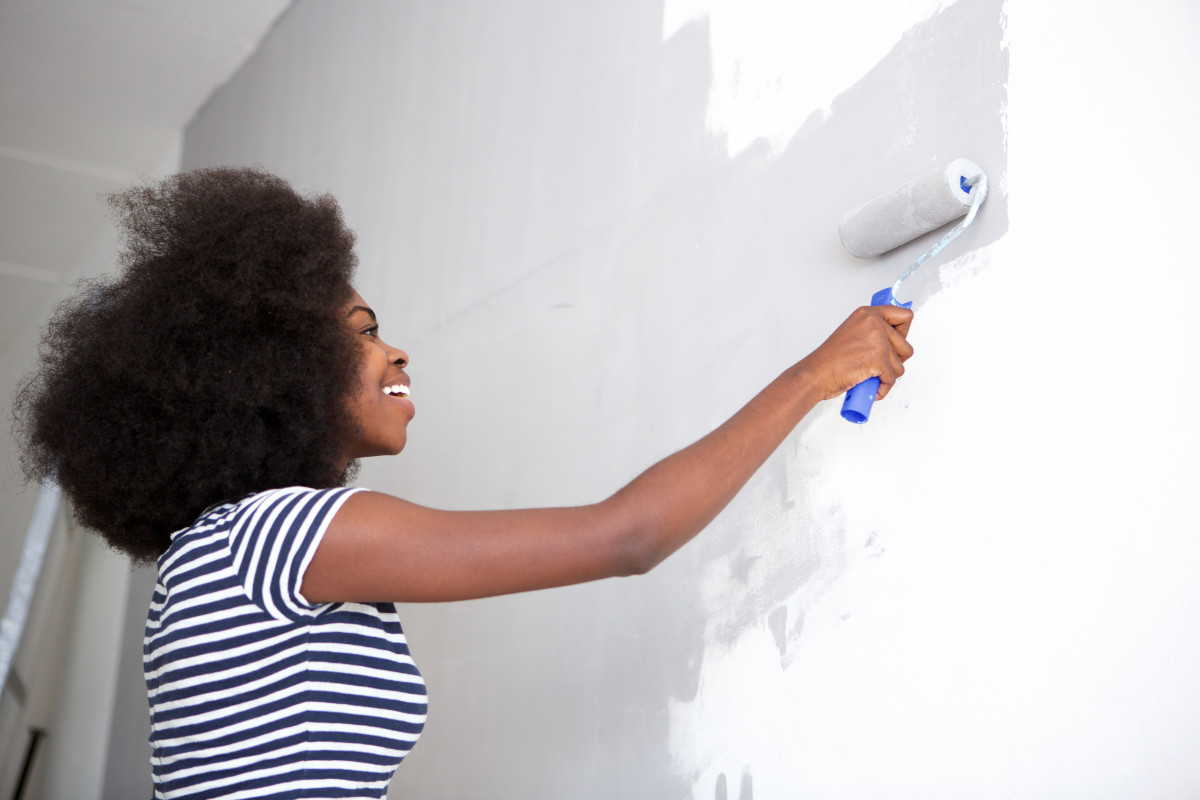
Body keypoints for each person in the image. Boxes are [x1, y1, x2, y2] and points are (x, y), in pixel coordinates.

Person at [13, 167, 913, 799]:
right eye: (362, 332)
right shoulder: (277, 535)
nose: (395, 349)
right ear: (270, 370)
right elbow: (625, 537)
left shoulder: (216, 554)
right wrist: (812, 375)